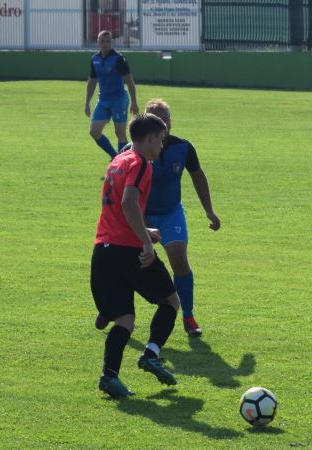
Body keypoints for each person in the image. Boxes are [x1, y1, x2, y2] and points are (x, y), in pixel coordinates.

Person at [90, 113, 181, 399]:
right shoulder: (141, 164)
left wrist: (145, 229)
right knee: (171, 301)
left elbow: (120, 208)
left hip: (103, 249)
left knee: (125, 319)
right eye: (161, 140)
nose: (162, 146)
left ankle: (109, 376)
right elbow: (129, 202)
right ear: (150, 138)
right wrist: (146, 242)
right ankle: (151, 354)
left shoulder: (118, 160)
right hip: (129, 251)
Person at [143, 98, 221, 337]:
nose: (163, 124)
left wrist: (209, 210)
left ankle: (188, 315)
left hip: (171, 213)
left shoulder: (183, 148)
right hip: (140, 214)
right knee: (128, 263)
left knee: (179, 260)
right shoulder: (132, 151)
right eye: (157, 119)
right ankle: (111, 308)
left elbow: (198, 176)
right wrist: (139, 220)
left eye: (166, 119)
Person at [85, 30, 139, 160]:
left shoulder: (119, 59)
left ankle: (123, 162)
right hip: (103, 100)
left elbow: (129, 81)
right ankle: (115, 157)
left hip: (119, 100)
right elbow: (92, 81)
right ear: (98, 42)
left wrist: (134, 102)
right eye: (102, 41)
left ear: (112, 42)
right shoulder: (95, 59)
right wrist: (87, 102)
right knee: (94, 131)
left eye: (108, 41)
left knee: (120, 133)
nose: (105, 44)